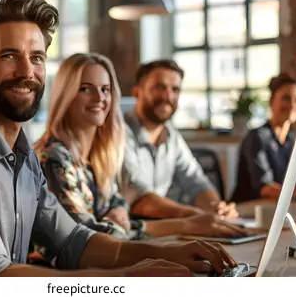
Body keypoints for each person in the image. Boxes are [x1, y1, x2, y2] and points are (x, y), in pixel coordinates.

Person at [0, 0, 236, 277]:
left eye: (37, 58)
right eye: (9, 56)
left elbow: (71, 241)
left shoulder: (23, 156)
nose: (27, 72)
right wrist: (124, 280)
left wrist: (168, 254)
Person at [34, 53, 246, 242]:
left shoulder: (99, 154)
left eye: (105, 89)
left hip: (119, 250)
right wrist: (191, 221)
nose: (99, 98)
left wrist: (216, 211)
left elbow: (195, 182)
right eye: (85, 89)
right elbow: (90, 238)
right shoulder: (56, 156)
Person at [120, 60, 239, 220]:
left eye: (175, 89)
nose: (168, 96)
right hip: (129, 229)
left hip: (163, 228)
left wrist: (216, 208)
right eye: (159, 87)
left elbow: (195, 180)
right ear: (136, 92)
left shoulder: (171, 136)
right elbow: (140, 198)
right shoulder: (119, 133)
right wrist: (194, 215)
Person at [232, 74, 296, 203]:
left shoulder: (290, 140)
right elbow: (265, 187)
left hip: (275, 209)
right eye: (286, 98)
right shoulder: (257, 137)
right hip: (249, 211)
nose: (292, 105)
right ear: (271, 102)